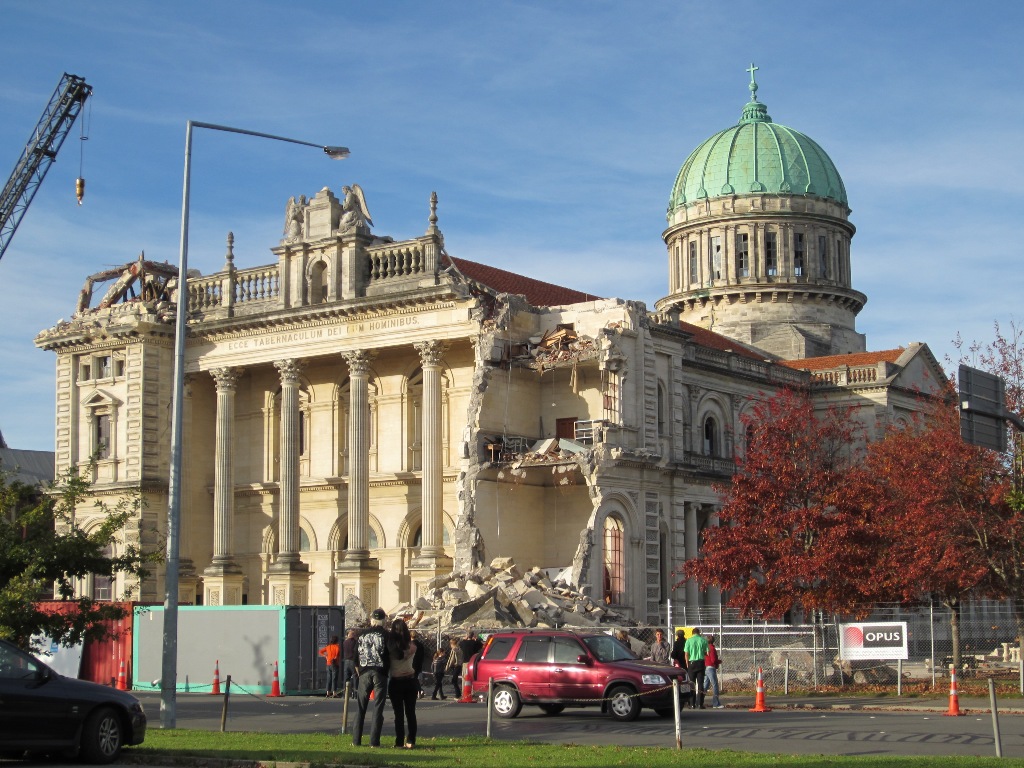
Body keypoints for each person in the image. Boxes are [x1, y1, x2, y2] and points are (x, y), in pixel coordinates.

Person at [352, 608, 390, 748]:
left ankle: (356, 740)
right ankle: (374, 742)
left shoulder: (362, 634)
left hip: (364, 671)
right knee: (378, 707)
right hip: (380, 671)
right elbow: (390, 653)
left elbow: (355, 657)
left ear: (372, 620)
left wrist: (360, 672)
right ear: (384, 621)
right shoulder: (386, 635)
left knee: (360, 707)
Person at [387, 618, 424, 749]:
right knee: (410, 713)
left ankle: (399, 741)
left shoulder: (391, 648)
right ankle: (411, 740)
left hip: (396, 680)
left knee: (398, 714)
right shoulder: (412, 646)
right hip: (410, 679)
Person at [683, 627, 710, 709]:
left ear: (692, 633)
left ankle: (692, 703)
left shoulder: (688, 640)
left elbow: (686, 653)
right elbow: (707, 653)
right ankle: (700, 703)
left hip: (692, 662)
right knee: (700, 683)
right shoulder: (703, 640)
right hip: (700, 662)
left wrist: (687, 663)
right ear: (699, 633)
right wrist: (701, 652)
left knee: (692, 683)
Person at [704, 634, 724, 708]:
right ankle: (716, 703)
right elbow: (713, 660)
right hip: (711, 668)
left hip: (706, 667)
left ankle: (699, 701)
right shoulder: (712, 648)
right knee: (715, 685)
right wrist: (719, 661)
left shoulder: (705, 648)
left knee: (705, 685)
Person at [341, 628, 358, 698]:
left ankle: (345, 694)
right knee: (355, 677)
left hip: (346, 661)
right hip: (353, 661)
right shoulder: (355, 642)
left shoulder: (344, 642)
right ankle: (355, 694)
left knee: (346, 678)